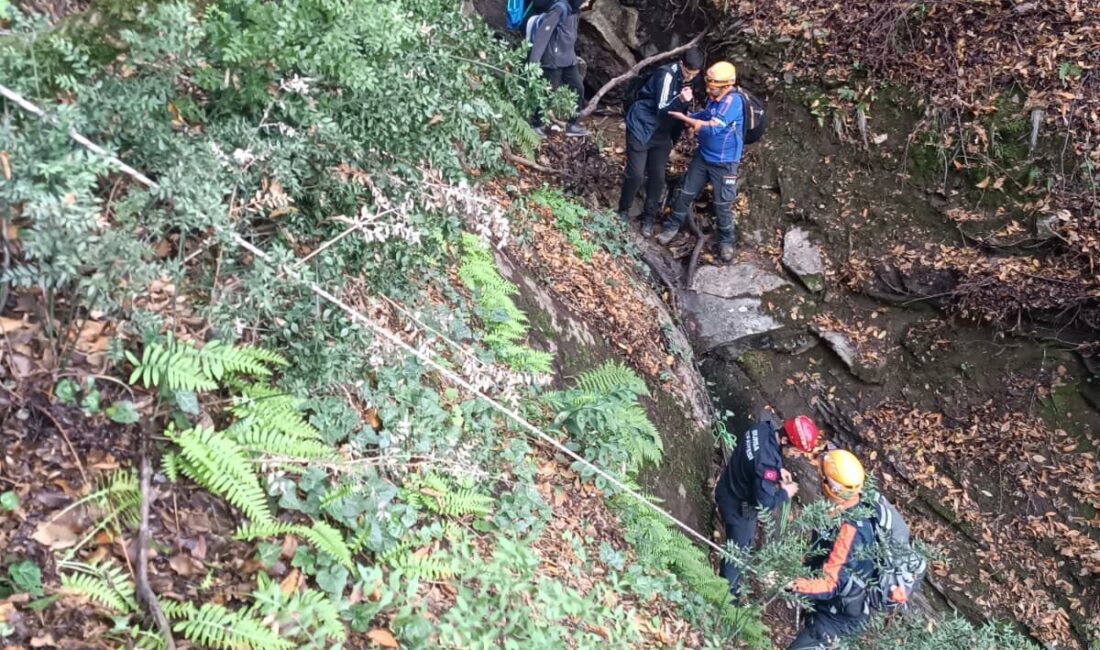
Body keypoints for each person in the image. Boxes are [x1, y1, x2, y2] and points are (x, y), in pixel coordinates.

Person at [714, 413, 820, 597]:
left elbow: (756, 459)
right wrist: (785, 493)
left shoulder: (762, 428)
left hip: (727, 485)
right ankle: (726, 596)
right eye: (796, 451)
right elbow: (764, 504)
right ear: (785, 439)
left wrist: (778, 471)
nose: (796, 456)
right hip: (740, 508)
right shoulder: (767, 465)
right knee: (737, 553)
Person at [786, 449, 875, 650]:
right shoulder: (841, 509)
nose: (819, 479)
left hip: (838, 616)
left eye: (822, 477)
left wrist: (794, 585)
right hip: (827, 605)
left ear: (831, 486)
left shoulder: (850, 530)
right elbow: (820, 551)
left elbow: (831, 583)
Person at [655, 61, 743, 262]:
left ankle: (726, 241)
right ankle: (671, 228)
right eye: (708, 83)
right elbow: (705, 115)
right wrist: (689, 117)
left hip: (724, 162)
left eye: (712, 85)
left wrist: (689, 121)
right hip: (703, 156)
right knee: (686, 192)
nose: (708, 88)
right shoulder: (715, 99)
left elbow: (713, 126)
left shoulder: (733, 103)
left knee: (722, 204)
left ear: (726, 85)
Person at [616, 48, 704, 235]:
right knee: (636, 173)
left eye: (694, 74)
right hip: (642, 125)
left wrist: (686, 126)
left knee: (657, 176)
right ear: (681, 64)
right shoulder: (666, 75)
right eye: (688, 73)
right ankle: (623, 210)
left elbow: (683, 110)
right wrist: (680, 99)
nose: (690, 77)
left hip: (662, 132)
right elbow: (663, 108)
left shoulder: (692, 79)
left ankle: (649, 218)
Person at [527, 0, 590, 138]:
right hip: (553, 59)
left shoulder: (575, 11)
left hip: (568, 59)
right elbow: (543, 34)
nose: (587, 4)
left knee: (578, 88)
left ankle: (573, 125)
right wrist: (534, 59)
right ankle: (536, 125)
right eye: (586, 1)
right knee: (548, 92)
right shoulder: (559, 9)